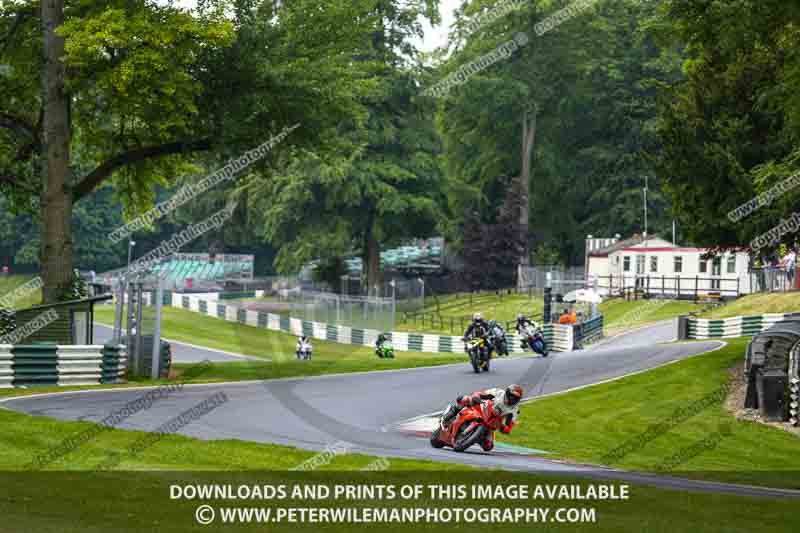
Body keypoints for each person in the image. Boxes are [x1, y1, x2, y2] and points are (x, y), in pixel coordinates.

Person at [441, 384, 524, 451]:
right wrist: (477, 396)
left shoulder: (515, 410)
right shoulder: (498, 392)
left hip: (492, 423)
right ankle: (452, 412)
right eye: (511, 396)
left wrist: (505, 428)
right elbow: (482, 393)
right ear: (507, 393)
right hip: (482, 409)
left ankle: (474, 438)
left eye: (515, 398)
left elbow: (509, 425)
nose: (512, 399)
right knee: (465, 399)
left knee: (488, 447)